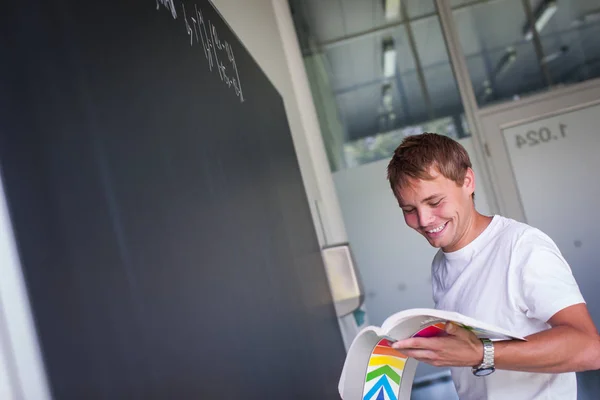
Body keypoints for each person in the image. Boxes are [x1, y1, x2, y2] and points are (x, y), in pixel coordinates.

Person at [386, 132, 600, 399]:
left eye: (435, 202)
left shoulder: (522, 246)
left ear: (467, 181)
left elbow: (589, 348)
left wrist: (480, 353)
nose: (424, 220)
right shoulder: (441, 263)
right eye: (409, 209)